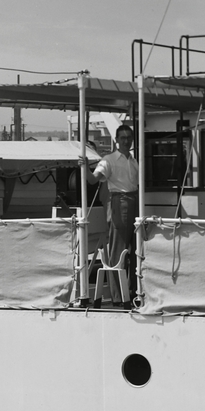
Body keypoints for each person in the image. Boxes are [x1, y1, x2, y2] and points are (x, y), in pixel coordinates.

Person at [92, 124, 140, 297]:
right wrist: (83, 168)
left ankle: (133, 292)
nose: (126, 141)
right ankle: (118, 296)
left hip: (135, 201)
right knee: (118, 250)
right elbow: (93, 180)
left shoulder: (134, 161)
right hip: (119, 202)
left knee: (136, 250)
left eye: (129, 137)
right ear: (116, 141)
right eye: (123, 138)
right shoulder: (108, 159)